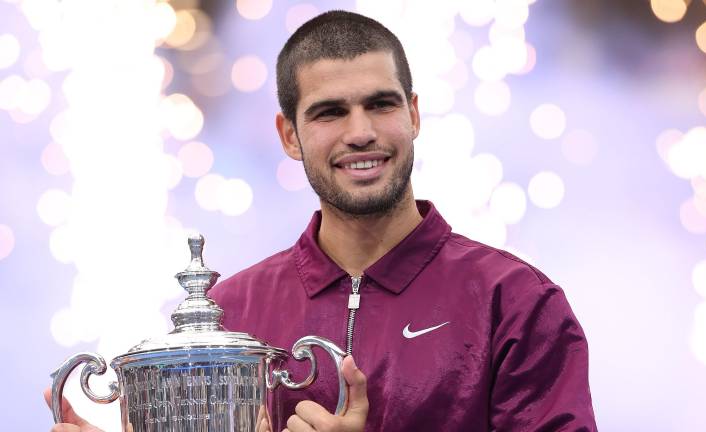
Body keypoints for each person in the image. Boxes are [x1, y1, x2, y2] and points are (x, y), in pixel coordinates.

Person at [47, 10, 597, 432]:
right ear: (289, 135)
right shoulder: (231, 315)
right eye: (330, 112)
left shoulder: (515, 302)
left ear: (414, 114)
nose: (361, 132)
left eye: (381, 105)